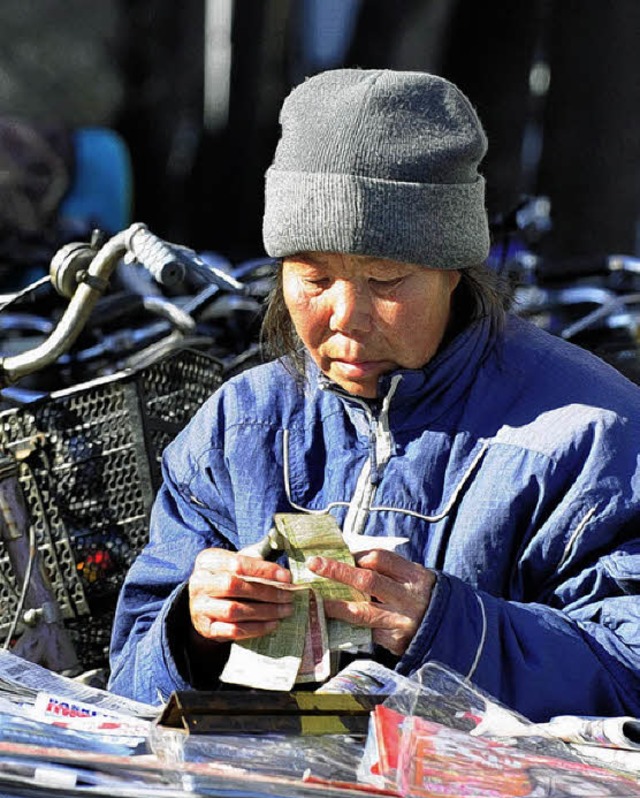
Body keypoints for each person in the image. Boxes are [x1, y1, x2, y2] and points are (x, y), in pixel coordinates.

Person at [109, 68, 640, 722]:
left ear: (454, 270)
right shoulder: (237, 429)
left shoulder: (591, 437)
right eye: (314, 277)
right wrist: (190, 633)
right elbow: (127, 686)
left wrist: (448, 626)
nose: (345, 315)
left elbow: (629, 672)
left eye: (385, 279)